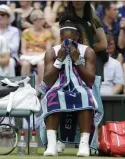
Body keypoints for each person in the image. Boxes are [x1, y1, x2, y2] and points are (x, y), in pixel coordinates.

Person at [41, 14, 101, 157]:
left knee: (84, 96)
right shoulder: (52, 52)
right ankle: (51, 144)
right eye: (65, 39)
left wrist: (77, 60)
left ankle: (84, 144)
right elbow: (48, 80)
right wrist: (59, 60)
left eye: (72, 39)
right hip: (57, 86)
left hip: (81, 86)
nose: (68, 42)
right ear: (61, 38)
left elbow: (90, 81)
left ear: (78, 37)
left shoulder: (87, 51)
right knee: (52, 96)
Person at [67, 1, 108, 81]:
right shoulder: (65, 19)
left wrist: (87, 49)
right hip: (71, 60)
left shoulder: (94, 19)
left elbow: (103, 44)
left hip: (92, 61)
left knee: (94, 91)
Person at [20, 9, 52, 84]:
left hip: (42, 55)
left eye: (42, 19)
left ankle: (42, 89)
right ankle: (25, 88)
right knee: (25, 64)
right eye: (38, 19)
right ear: (33, 20)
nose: (40, 21)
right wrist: (27, 54)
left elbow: (49, 50)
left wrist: (42, 55)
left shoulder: (47, 33)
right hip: (29, 54)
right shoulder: (26, 32)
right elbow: (23, 49)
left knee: (41, 64)